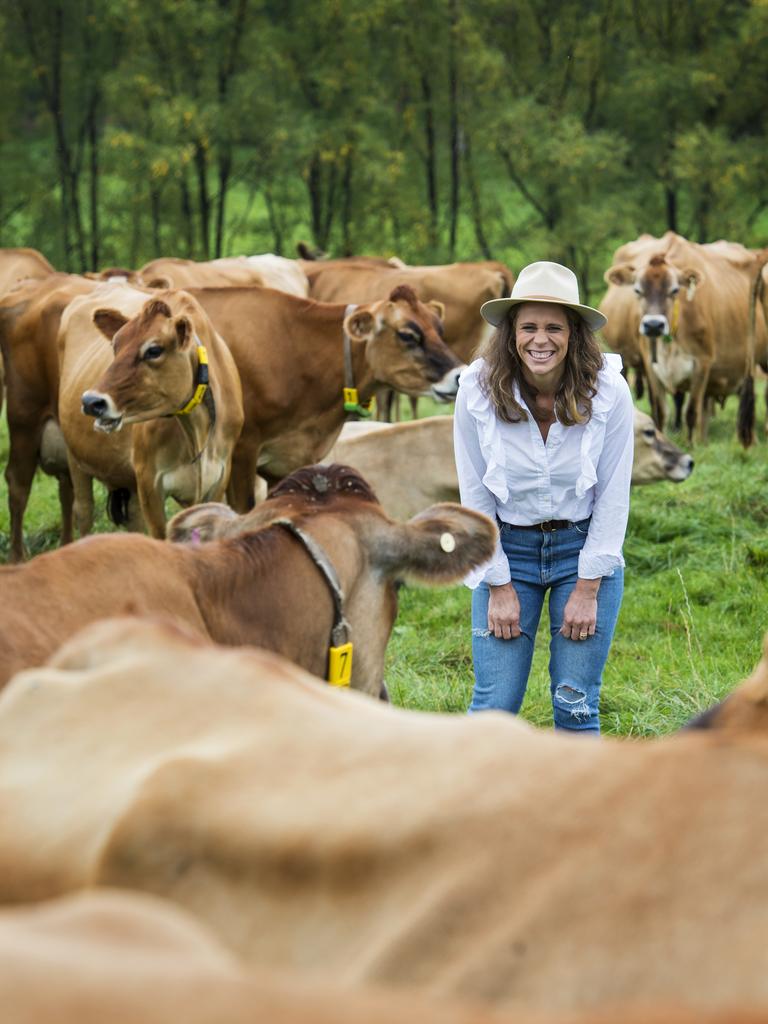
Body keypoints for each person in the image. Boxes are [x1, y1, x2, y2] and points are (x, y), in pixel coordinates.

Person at [453, 261, 634, 733]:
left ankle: (578, 809)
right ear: (511, 331)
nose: (541, 339)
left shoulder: (609, 390)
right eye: (528, 326)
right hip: (507, 547)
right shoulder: (475, 389)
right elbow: (474, 494)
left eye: (554, 327)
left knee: (575, 705)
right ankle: (478, 808)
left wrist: (589, 587)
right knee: (493, 708)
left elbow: (614, 495)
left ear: (574, 334)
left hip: (583, 550)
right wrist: (497, 583)